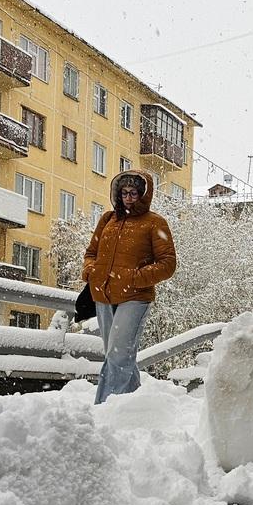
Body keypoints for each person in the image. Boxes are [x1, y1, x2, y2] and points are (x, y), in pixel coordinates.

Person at [82, 170, 176, 404]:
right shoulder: (107, 220)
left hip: (134, 297)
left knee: (119, 354)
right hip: (103, 295)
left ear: (144, 194)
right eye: (124, 193)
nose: (128, 198)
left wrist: (134, 278)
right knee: (117, 355)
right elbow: (90, 253)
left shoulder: (155, 223)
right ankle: (132, 407)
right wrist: (90, 272)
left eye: (134, 193)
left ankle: (105, 407)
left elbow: (168, 264)